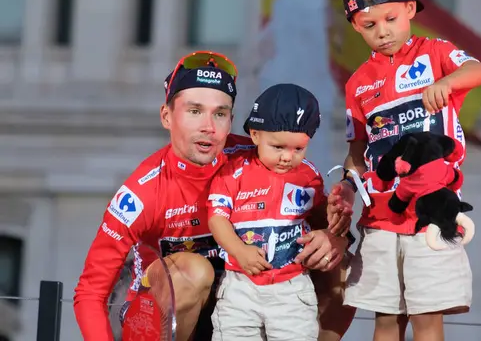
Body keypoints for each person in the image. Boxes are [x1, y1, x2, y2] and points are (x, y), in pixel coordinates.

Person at [73, 52, 350, 341]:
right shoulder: (141, 193)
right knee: (194, 270)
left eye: (219, 114)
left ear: (232, 120)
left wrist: (335, 239)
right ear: (167, 116)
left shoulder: (265, 157)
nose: (209, 126)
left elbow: (329, 226)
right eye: (194, 111)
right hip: (158, 320)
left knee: (337, 264)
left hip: (240, 306)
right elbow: (90, 292)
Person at [326, 0, 481, 341]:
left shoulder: (435, 53)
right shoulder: (358, 84)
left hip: (431, 215)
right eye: (369, 25)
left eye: (391, 19)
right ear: (354, 25)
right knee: (386, 318)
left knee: (427, 316)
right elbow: (358, 148)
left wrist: (447, 83)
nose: (382, 32)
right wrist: (349, 188)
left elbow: (478, 70)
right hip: (380, 216)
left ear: (411, 9)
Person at [208, 83, 333, 340]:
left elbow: (323, 221)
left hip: (292, 286)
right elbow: (217, 219)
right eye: (278, 147)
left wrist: (335, 225)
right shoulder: (233, 171)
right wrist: (240, 251)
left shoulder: (310, 176)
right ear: (255, 135)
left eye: (298, 149)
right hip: (240, 285)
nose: (288, 157)